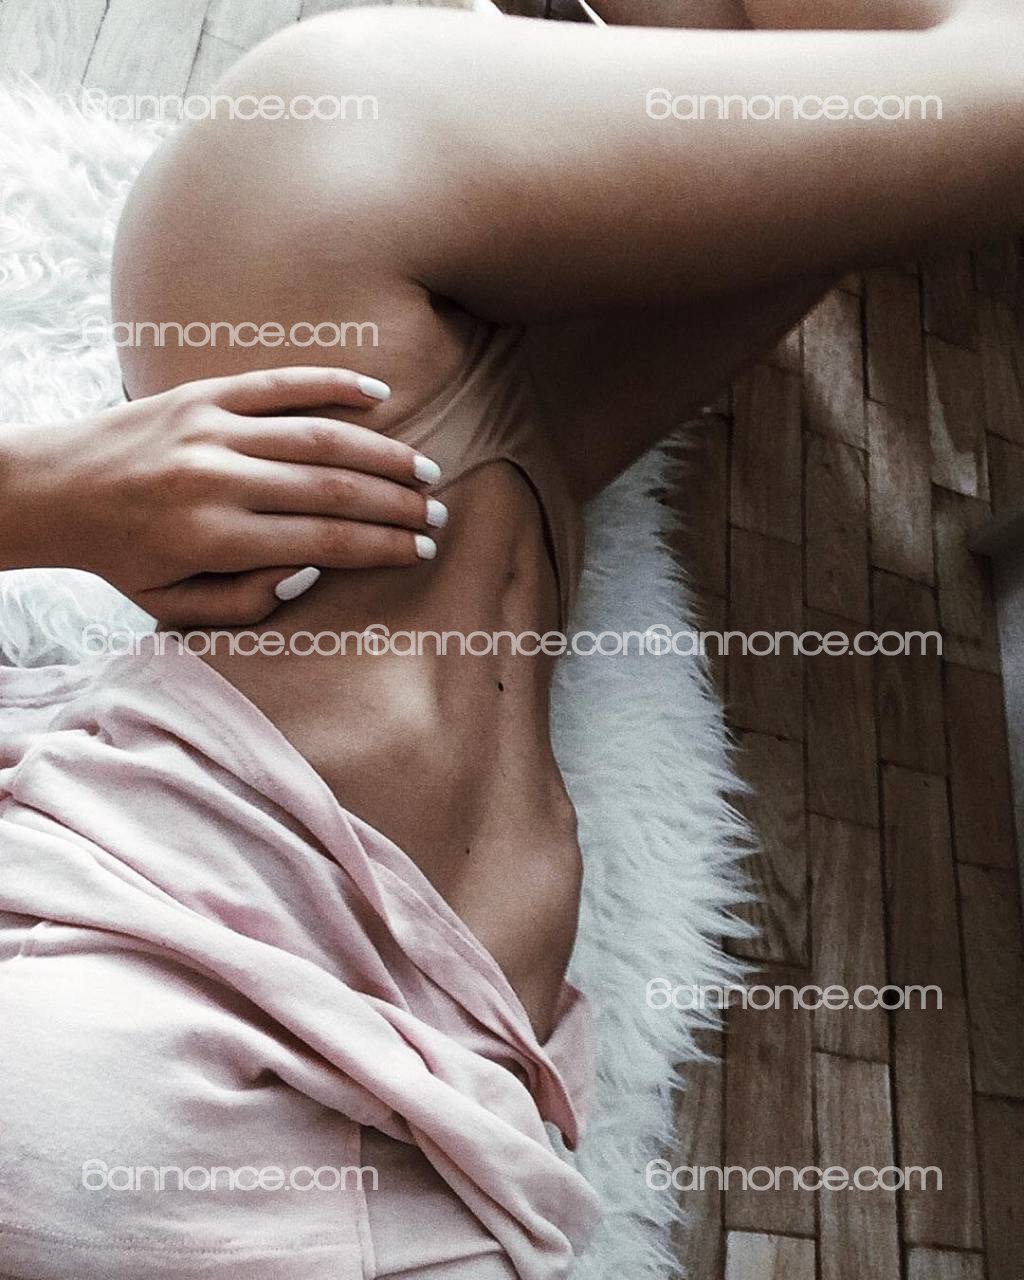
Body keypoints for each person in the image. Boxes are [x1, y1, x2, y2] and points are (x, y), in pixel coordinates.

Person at [1, 0, 1021, 1275]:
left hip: (321, 307)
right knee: (836, 91)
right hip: (498, 525)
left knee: (970, 94)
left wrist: (45, 496)